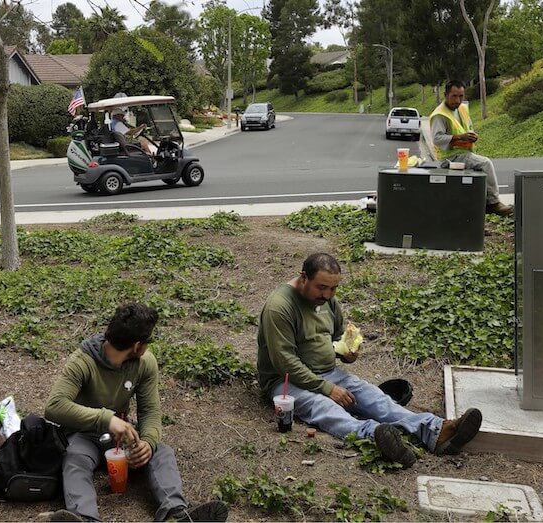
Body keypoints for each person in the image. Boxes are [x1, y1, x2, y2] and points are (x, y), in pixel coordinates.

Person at [257, 253, 483, 468]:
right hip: (285, 382)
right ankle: (375, 437)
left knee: (372, 396)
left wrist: (345, 352)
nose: (327, 295)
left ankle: (434, 430)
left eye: (334, 288)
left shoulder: (328, 301)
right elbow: (284, 361)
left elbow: (335, 338)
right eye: (322, 287)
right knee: (324, 407)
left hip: (327, 373)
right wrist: (327, 389)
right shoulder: (280, 307)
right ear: (304, 277)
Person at [44, 303, 228, 522]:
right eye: (148, 340)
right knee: (74, 459)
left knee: (162, 452)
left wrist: (147, 443)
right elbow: (54, 406)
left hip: (122, 435)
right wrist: (106, 419)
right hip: (84, 434)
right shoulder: (83, 361)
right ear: (138, 345)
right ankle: (84, 517)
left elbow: (149, 410)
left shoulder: (144, 363)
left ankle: (176, 513)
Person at [429, 79, 513, 216]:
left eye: (461, 96)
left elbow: (468, 127)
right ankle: (493, 203)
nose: (457, 100)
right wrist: (459, 137)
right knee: (485, 163)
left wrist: (472, 136)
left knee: (473, 187)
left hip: (465, 154)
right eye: (454, 96)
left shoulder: (462, 108)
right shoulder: (440, 114)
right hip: (450, 158)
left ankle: (475, 219)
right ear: (446, 94)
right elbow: (437, 139)